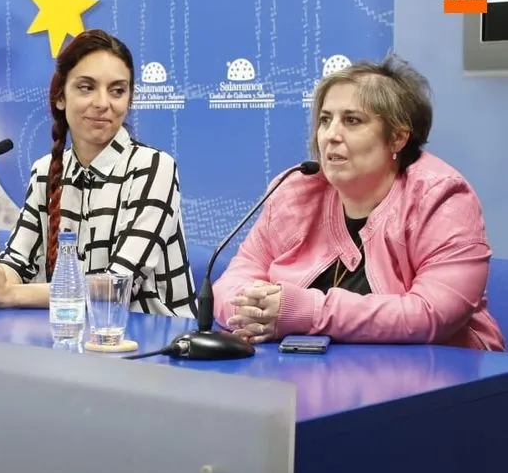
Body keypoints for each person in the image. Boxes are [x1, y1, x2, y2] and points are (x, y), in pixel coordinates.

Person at [214, 54, 505, 351]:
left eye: (352, 121)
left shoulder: (440, 199)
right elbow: (231, 283)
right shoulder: (295, 193)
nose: (331, 135)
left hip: (445, 379)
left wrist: (308, 311)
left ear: (397, 138)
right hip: (316, 379)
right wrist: (253, 311)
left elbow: (433, 314)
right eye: (325, 120)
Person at [0, 29, 196, 316]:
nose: (103, 103)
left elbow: (117, 286)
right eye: (86, 87)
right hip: (71, 336)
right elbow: (17, 262)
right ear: (60, 96)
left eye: (117, 91)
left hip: (153, 344)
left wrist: (10, 293)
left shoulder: (154, 168)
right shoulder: (45, 171)